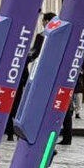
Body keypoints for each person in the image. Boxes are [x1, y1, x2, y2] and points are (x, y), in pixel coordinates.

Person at [7, 13, 51, 142]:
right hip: (22, 77)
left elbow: (33, 53)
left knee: (15, 105)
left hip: (19, 77)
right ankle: (15, 131)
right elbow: (32, 54)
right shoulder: (39, 37)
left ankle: (14, 131)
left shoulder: (40, 36)